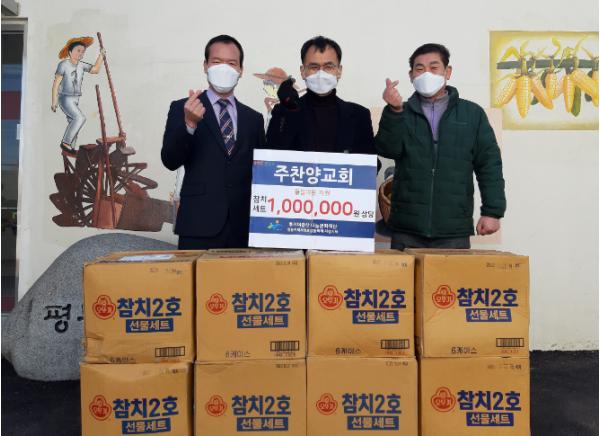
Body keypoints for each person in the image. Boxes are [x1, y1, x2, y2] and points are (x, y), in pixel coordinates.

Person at [375, 43, 506, 250]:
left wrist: (492, 212)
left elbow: (489, 165)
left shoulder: (472, 114)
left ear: (448, 72)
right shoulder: (401, 112)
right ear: (411, 75)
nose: (426, 73)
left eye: (434, 67)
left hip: (453, 229)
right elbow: (387, 149)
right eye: (419, 68)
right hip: (406, 228)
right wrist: (394, 111)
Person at [161, 35, 266, 249]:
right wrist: (189, 124)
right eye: (217, 62)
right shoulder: (183, 107)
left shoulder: (253, 119)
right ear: (205, 66)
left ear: (240, 70)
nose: (224, 68)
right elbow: (170, 160)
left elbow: (261, 173)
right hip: (197, 225)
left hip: (243, 228)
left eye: (231, 63)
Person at [266, 36, 376, 157]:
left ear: (339, 71)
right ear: (303, 71)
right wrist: (288, 111)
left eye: (328, 67)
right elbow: (270, 158)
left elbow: (368, 163)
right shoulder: (284, 112)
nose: (321, 74)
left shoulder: (360, 115)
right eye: (314, 67)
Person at [51, 36, 105, 156]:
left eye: (82, 51)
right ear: (70, 52)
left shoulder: (81, 65)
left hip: (75, 99)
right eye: (78, 50)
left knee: (74, 123)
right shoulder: (63, 65)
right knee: (79, 118)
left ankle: (69, 149)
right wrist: (54, 101)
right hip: (65, 98)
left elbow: (95, 70)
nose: (80, 53)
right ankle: (66, 143)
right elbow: (56, 84)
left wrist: (101, 56)